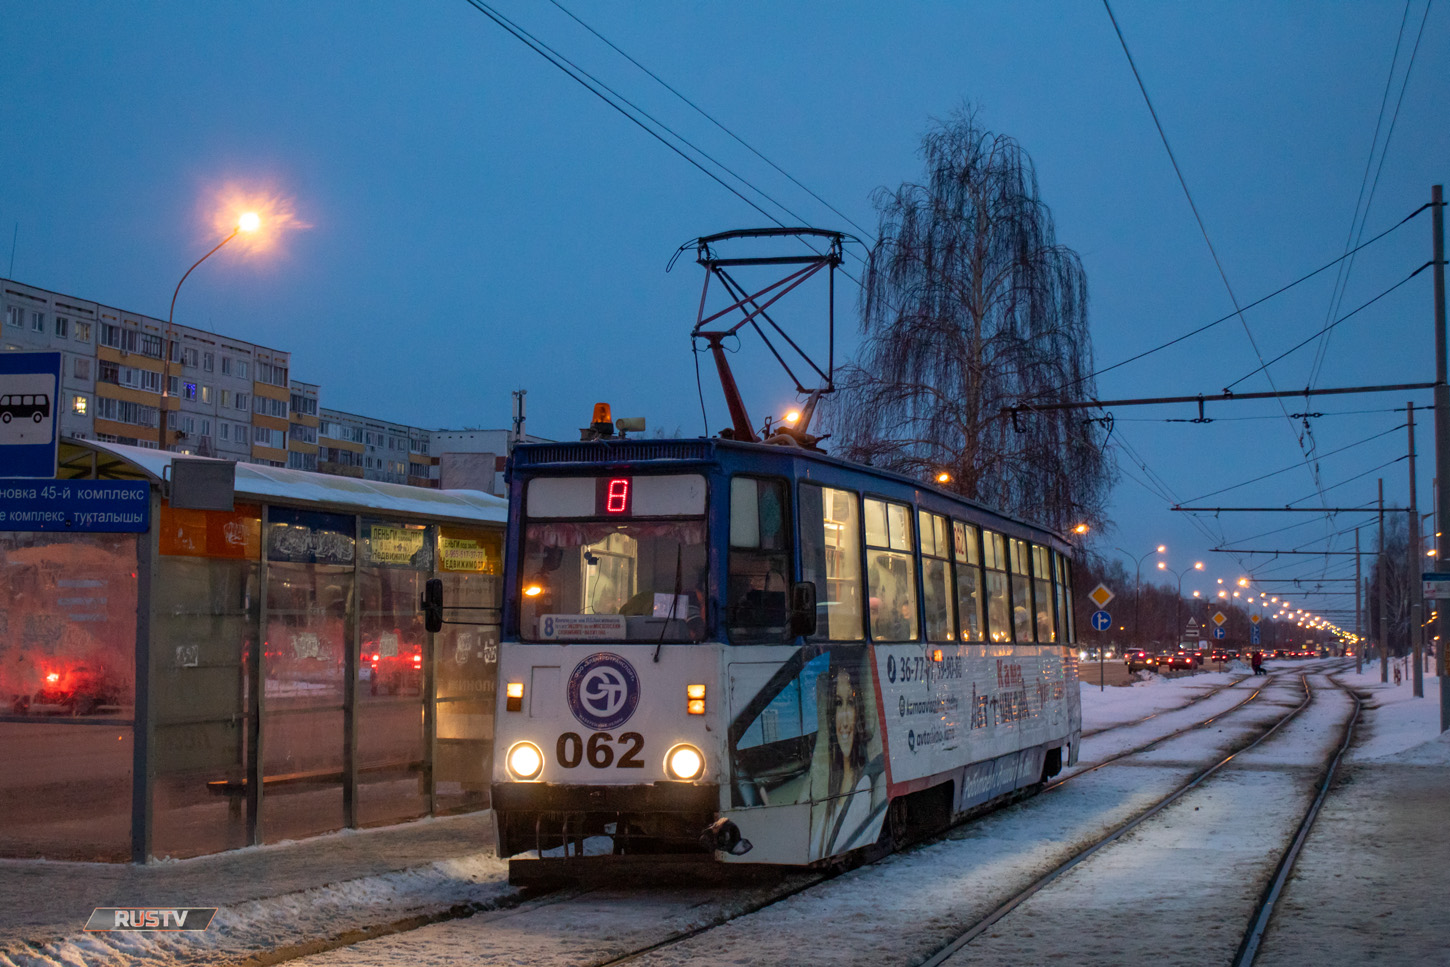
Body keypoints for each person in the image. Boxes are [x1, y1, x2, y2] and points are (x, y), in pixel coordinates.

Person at [810, 654, 885, 859]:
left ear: (860, 709)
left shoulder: (869, 783)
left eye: (850, 703)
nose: (843, 720)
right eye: (837, 704)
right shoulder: (824, 782)